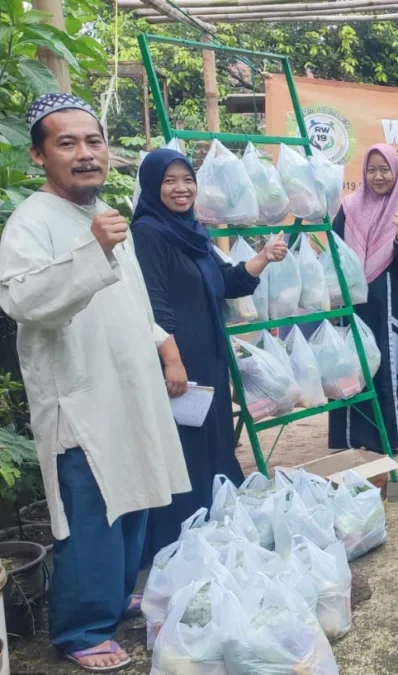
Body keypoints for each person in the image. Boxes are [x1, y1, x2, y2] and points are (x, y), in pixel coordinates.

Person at [0, 94, 189, 672]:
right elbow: (23, 299)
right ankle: (81, 629)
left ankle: (110, 600)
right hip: (80, 396)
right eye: (67, 143)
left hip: (127, 385)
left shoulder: (101, 212)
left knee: (131, 502)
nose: (86, 154)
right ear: (39, 155)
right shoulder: (32, 221)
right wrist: (95, 250)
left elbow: (130, 300)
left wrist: (164, 347)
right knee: (93, 511)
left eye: (94, 141)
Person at [131, 148, 287, 566]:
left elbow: (226, 282)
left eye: (187, 179)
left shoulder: (193, 231)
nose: (181, 189)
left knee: (213, 442)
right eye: (169, 181)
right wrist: (172, 361)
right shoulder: (148, 233)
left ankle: (214, 532)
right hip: (179, 358)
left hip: (209, 356)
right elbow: (154, 303)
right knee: (185, 450)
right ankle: (179, 543)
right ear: (151, 186)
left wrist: (262, 258)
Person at [329, 143, 398, 451]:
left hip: (388, 298)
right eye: (372, 169)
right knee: (351, 363)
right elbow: (335, 249)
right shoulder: (349, 207)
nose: (378, 176)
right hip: (353, 299)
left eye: (384, 169)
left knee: (385, 364)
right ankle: (351, 439)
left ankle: (390, 437)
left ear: (395, 171)